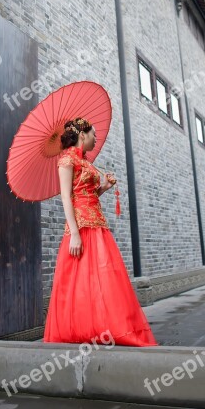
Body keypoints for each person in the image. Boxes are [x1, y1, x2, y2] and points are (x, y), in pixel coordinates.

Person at [43, 117, 158, 347]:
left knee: (103, 278)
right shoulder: (66, 159)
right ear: (82, 135)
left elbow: (89, 195)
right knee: (81, 281)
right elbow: (66, 196)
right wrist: (74, 233)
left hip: (98, 226)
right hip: (81, 228)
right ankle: (81, 329)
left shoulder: (86, 162)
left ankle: (106, 328)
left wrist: (103, 187)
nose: (96, 138)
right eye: (93, 134)